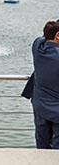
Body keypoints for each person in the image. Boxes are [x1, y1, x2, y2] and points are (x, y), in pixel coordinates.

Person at [22, 20, 59, 149]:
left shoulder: (37, 48)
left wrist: (52, 28)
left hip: (40, 106)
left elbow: (44, 37)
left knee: (42, 143)